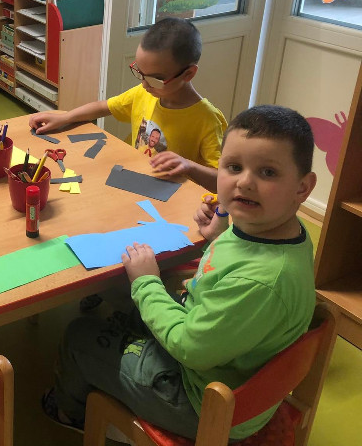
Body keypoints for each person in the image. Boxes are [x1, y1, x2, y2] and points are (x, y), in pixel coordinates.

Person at [43, 105, 318, 442]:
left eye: (268, 172)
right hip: (223, 363)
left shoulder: (261, 281)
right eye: (234, 167)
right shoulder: (280, 230)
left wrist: (146, 282)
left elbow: (189, 347)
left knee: (79, 336)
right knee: (127, 308)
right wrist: (218, 236)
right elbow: (240, 272)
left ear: (303, 187)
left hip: (200, 401)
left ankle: (68, 411)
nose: (245, 182)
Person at [29, 18, 226, 191]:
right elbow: (104, 106)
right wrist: (64, 117)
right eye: (140, 73)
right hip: (137, 183)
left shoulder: (208, 119)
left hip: (175, 201)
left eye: (155, 79)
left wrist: (189, 166)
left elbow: (223, 181)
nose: (145, 84)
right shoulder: (145, 93)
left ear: (188, 74)